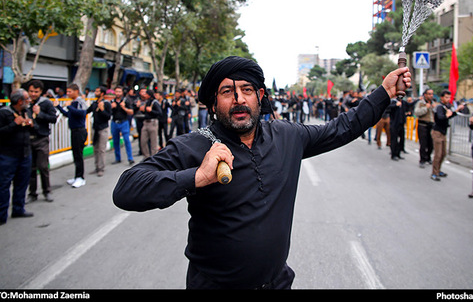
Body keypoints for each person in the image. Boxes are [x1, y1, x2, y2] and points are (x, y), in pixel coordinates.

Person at [112, 56, 411, 289]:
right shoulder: (193, 145)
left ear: (260, 96)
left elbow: (341, 128)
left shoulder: (287, 135)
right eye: (227, 91)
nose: (239, 99)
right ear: (214, 103)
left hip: (277, 282)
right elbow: (127, 189)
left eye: (246, 90)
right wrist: (197, 177)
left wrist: (383, 93)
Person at [0, 89, 34, 229]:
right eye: (27, 99)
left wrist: (31, 124)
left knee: (22, 183)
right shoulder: (4, 113)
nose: (29, 101)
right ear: (20, 101)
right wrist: (15, 124)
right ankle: (0, 216)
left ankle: (18, 209)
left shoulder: (26, 111)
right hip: (8, 155)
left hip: (25, 153)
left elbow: (33, 128)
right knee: (3, 185)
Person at [27, 80, 58, 202]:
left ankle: (47, 191)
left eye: (36, 91)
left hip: (42, 139)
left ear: (40, 92)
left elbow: (53, 119)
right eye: (31, 91)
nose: (33, 94)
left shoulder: (46, 103)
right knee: (31, 168)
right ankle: (32, 193)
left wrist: (39, 114)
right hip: (28, 139)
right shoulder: (25, 102)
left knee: (43, 166)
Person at [54, 84, 88, 188]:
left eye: (69, 92)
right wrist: (58, 107)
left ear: (76, 91)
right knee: (75, 154)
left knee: (78, 155)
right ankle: (77, 176)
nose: (67, 94)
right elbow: (68, 114)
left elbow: (81, 114)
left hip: (80, 131)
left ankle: (80, 178)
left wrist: (69, 106)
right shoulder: (73, 103)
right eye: (67, 92)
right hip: (74, 131)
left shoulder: (79, 102)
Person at [431, 90, 464, 181]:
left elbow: (449, 116)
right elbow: (441, 118)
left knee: (443, 153)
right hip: (437, 132)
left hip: (443, 132)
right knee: (437, 154)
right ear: (441, 98)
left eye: (449, 97)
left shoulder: (446, 107)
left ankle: (438, 170)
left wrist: (456, 111)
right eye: (446, 97)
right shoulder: (439, 107)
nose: (448, 99)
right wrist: (448, 115)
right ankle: (434, 173)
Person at [87, 86, 112, 177]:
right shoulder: (94, 104)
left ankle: (101, 168)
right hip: (95, 128)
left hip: (103, 129)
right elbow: (86, 111)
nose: (95, 93)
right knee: (96, 149)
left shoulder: (106, 104)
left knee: (101, 149)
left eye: (97, 91)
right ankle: (97, 166)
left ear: (102, 93)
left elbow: (108, 117)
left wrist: (102, 109)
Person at [111, 85, 135, 165]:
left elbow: (131, 112)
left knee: (126, 140)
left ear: (122, 92)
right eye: (116, 91)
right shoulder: (112, 102)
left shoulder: (125, 101)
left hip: (124, 122)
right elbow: (108, 113)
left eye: (119, 91)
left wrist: (124, 108)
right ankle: (117, 158)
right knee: (115, 141)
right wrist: (111, 107)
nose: (118, 93)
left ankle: (130, 158)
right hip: (114, 122)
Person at [139, 89, 163, 157]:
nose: (144, 95)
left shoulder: (155, 102)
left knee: (153, 143)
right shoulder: (147, 102)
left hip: (153, 123)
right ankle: (146, 157)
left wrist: (151, 110)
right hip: (145, 123)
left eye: (145, 94)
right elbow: (146, 113)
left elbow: (160, 113)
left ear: (149, 95)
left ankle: (154, 158)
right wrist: (143, 110)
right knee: (143, 142)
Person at [415, 88, 435, 168]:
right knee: (423, 144)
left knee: (431, 144)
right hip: (422, 125)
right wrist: (426, 108)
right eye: (429, 94)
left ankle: (428, 157)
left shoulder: (434, 103)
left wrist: (434, 108)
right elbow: (417, 112)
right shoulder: (420, 103)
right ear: (425, 95)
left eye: (432, 94)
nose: (431, 95)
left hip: (431, 125)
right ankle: (422, 160)